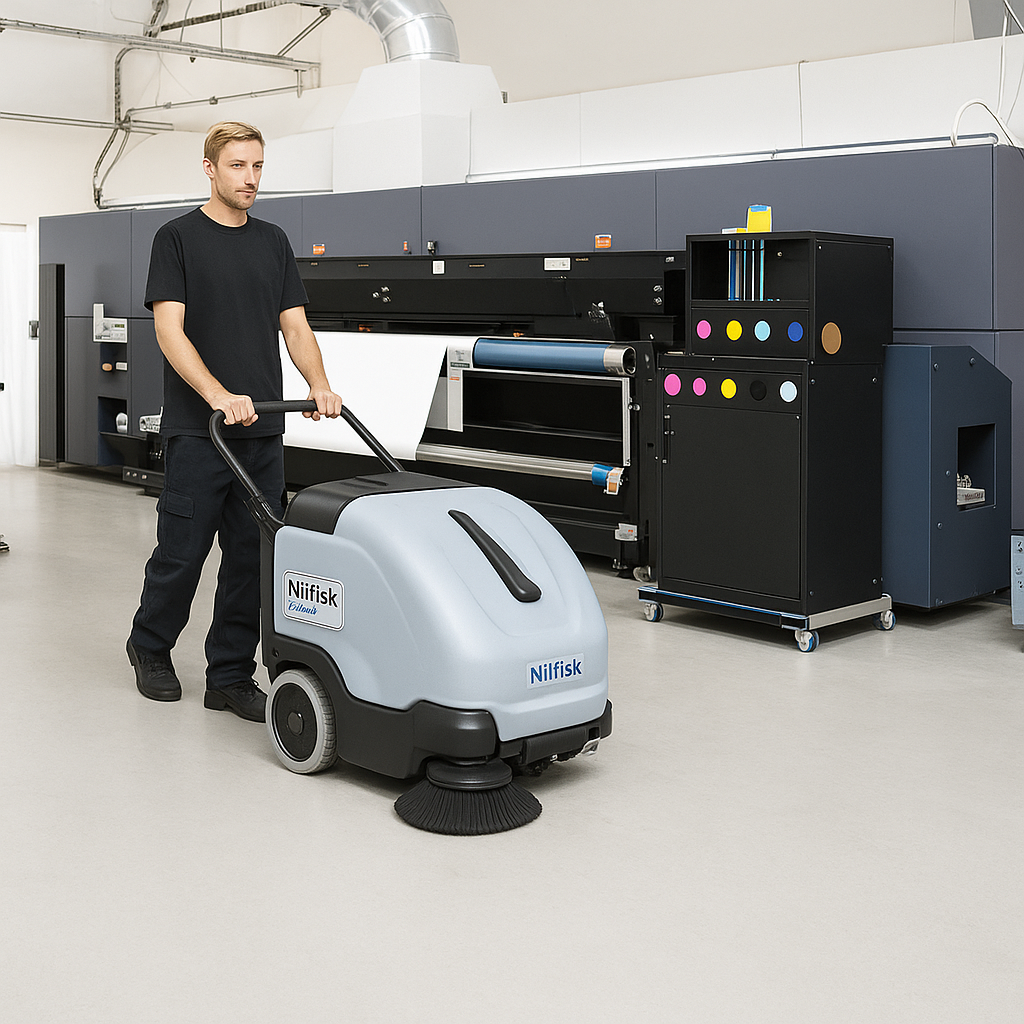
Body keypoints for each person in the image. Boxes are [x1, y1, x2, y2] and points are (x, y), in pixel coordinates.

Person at [126, 120, 343, 723]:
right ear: (210, 168)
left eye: (258, 168)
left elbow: (294, 326)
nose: (250, 179)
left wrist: (318, 385)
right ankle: (150, 648)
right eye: (238, 167)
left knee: (252, 558)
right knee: (183, 552)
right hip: (201, 433)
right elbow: (169, 330)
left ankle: (228, 674)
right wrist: (218, 394)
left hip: (261, 432)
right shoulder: (176, 238)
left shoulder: (272, 241)